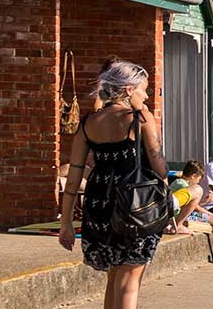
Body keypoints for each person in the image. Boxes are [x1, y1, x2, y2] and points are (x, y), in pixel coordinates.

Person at [59, 61, 165, 309]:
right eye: (143, 89)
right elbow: (160, 167)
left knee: (114, 276)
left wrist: (66, 224)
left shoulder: (88, 123)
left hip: (99, 206)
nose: (146, 95)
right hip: (133, 206)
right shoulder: (139, 119)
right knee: (129, 278)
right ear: (129, 90)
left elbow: (74, 178)